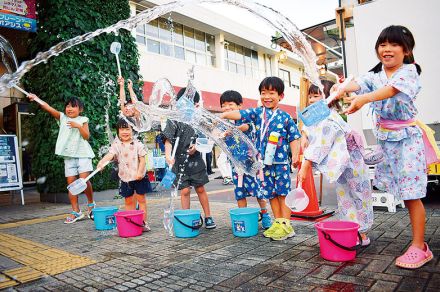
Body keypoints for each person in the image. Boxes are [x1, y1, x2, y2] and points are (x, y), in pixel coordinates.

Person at [335, 25, 438, 269]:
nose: (387, 49)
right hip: (387, 141)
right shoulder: (376, 74)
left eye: (393, 44)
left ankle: (420, 246)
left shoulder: (409, 72)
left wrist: (363, 99)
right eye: (382, 44)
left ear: (406, 50)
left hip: (407, 142)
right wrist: (342, 87)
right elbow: (358, 83)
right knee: (401, 193)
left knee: (412, 195)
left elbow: (390, 90)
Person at [222, 77, 301, 241]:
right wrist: (222, 115)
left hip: (280, 164)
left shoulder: (285, 117)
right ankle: (278, 222)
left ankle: (286, 225)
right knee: (271, 194)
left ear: (281, 96)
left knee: (283, 193)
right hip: (263, 165)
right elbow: (239, 113)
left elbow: (294, 137)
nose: (267, 97)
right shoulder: (257, 113)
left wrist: (295, 155)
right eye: (263, 93)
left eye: (271, 93)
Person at [298, 80, 373, 245]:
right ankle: (352, 230)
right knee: (344, 197)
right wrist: (304, 135)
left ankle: (363, 233)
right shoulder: (320, 116)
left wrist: (306, 164)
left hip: (353, 163)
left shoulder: (330, 118)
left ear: (328, 97)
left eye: (316, 96)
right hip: (343, 165)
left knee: (359, 195)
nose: (311, 100)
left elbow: (321, 143)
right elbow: (309, 128)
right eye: (310, 96)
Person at [27, 93, 96, 224]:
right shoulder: (62, 118)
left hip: (83, 154)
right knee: (71, 185)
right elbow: (48, 108)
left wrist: (79, 126)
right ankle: (76, 211)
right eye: (67, 106)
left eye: (73, 107)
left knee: (84, 181)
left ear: (80, 109)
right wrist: (36, 99)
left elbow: (87, 136)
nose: (69, 109)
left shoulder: (83, 119)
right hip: (68, 156)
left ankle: (91, 204)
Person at [162, 88, 216, 229]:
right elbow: (168, 140)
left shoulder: (199, 120)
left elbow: (206, 139)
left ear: (196, 104)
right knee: (185, 190)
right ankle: (187, 217)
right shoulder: (173, 119)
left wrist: (196, 148)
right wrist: (168, 155)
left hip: (196, 161)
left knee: (200, 189)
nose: (185, 106)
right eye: (182, 102)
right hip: (178, 162)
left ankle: (208, 216)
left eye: (189, 103)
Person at [220, 90, 272, 229]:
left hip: (251, 163)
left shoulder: (245, 118)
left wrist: (235, 130)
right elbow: (217, 135)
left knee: (258, 191)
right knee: (239, 191)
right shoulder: (223, 124)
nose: (227, 108)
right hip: (236, 166)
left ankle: (265, 214)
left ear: (239, 105)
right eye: (223, 105)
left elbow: (246, 127)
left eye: (230, 104)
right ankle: (243, 216)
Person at [97, 118, 152, 231]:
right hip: (125, 178)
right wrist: (102, 162)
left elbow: (142, 160)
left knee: (141, 200)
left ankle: (143, 222)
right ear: (118, 132)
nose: (125, 132)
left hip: (139, 176)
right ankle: (131, 222)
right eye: (122, 129)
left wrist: (140, 172)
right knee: (128, 200)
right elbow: (110, 155)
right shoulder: (117, 144)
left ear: (133, 130)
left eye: (127, 129)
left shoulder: (137, 144)